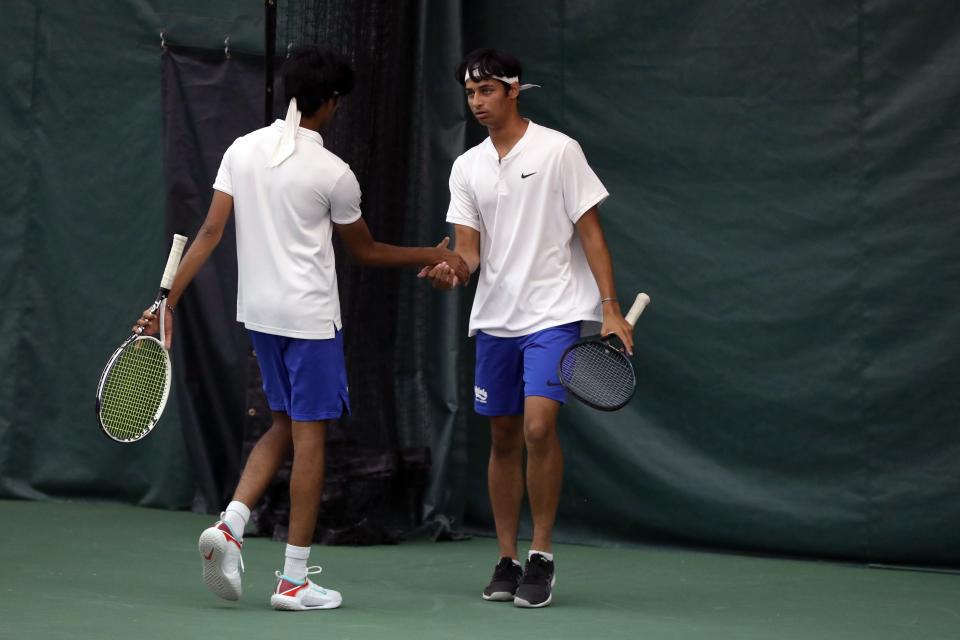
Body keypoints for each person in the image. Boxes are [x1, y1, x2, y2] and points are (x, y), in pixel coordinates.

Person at [136, 46, 469, 612]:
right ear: (333, 103)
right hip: (311, 322)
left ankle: (232, 523)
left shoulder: (241, 150)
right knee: (311, 440)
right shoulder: (333, 173)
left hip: (261, 316)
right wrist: (440, 255)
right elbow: (364, 252)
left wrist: (169, 301)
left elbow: (211, 232)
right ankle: (292, 581)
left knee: (284, 425)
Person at [419, 48, 634, 608]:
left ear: (514, 90)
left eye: (487, 91)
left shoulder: (559, 151)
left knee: (539, 428)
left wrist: (608, 306)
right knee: (503, 436)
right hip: (495, 317)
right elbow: (468, 252)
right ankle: (507, 558)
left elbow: (591, 234)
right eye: (470, 94)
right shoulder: (466, 167)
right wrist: (451, 273)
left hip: (555, 312)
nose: (477, 103)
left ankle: (541, 556)